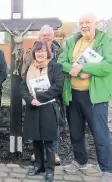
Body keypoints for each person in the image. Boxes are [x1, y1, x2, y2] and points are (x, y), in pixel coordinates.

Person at [57, 13, 112, 182]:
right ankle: (80, 160)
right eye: (81, 22)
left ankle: (108, 170)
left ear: (95, 23)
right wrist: (73, 69)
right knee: (75, 131)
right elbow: (61, 62)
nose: (84, 25)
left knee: (100, 134)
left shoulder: (106, 41)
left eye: (88, 22)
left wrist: (84, 68)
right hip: (73, 94)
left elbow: (109, 65)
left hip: (95, 97)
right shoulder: (72, 41)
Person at [20, 41, 64, 182]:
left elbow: (58, 87)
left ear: (48, 53)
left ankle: (50, 170)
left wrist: (39, 97)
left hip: (48, 108)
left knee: (49, 142)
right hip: (33, 107)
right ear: (34, 53)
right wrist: (30, 100)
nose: (40, 53)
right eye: (37, 51)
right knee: (36, 140)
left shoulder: (55, 67)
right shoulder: (29, 68)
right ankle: (39, 166)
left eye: (43, 51)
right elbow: (22, 87)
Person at [30, 25, 64, 165]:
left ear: (53, 36)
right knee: (37, 123)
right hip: (35, 96)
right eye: (43, 35)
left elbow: (61, 74)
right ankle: (37, 152)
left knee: (53, 124)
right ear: (39, 37)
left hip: (53, 96)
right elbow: (25, 71)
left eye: (49, 35)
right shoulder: (30, 52)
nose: (46, 37)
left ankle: (54, 152)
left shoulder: (60, 52)